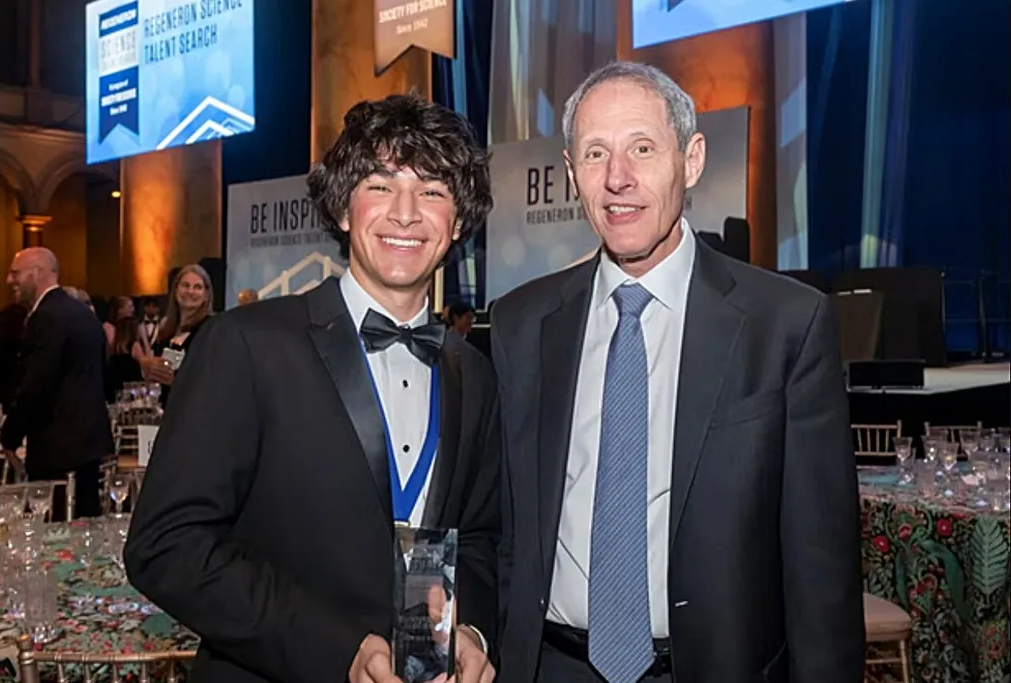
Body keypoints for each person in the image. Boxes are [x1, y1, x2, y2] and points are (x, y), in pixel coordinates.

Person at [491, 62, 863, 683]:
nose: (618, 178)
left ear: (691, 161)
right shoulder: (521, 325)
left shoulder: (785, 325)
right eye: (596, 154)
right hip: (550, 666)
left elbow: (820, 565)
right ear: (572, 172)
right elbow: (503, 528)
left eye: (642, 148)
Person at [125, 93, 500, 683]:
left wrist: (466, 632)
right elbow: (166, 545)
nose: (406, 213)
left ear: (456, 222)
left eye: (432, 191)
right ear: (345, 208)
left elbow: (475, 539)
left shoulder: (471, 372)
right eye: (381, 185)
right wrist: (338, 650)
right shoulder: (246, 344)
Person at [1, 248, 113, 518]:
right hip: (89, 445)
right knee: (85, 528)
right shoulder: (84, 313)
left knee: (55, 532)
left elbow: (36, 383)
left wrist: (9, 437)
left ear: (36, 273)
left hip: (57, 449)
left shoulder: (46, 317)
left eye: (15, 273)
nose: (9, 281)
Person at [139, 264, 213, 405]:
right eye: (185, 285)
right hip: (166, 407)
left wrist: (176, 380)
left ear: (206, 295)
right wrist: (148, 366)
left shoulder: (211, 329)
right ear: (176, 290)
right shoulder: (166, 327)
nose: (190, 291)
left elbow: (211, 377)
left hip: (194, 408)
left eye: (197, 287)